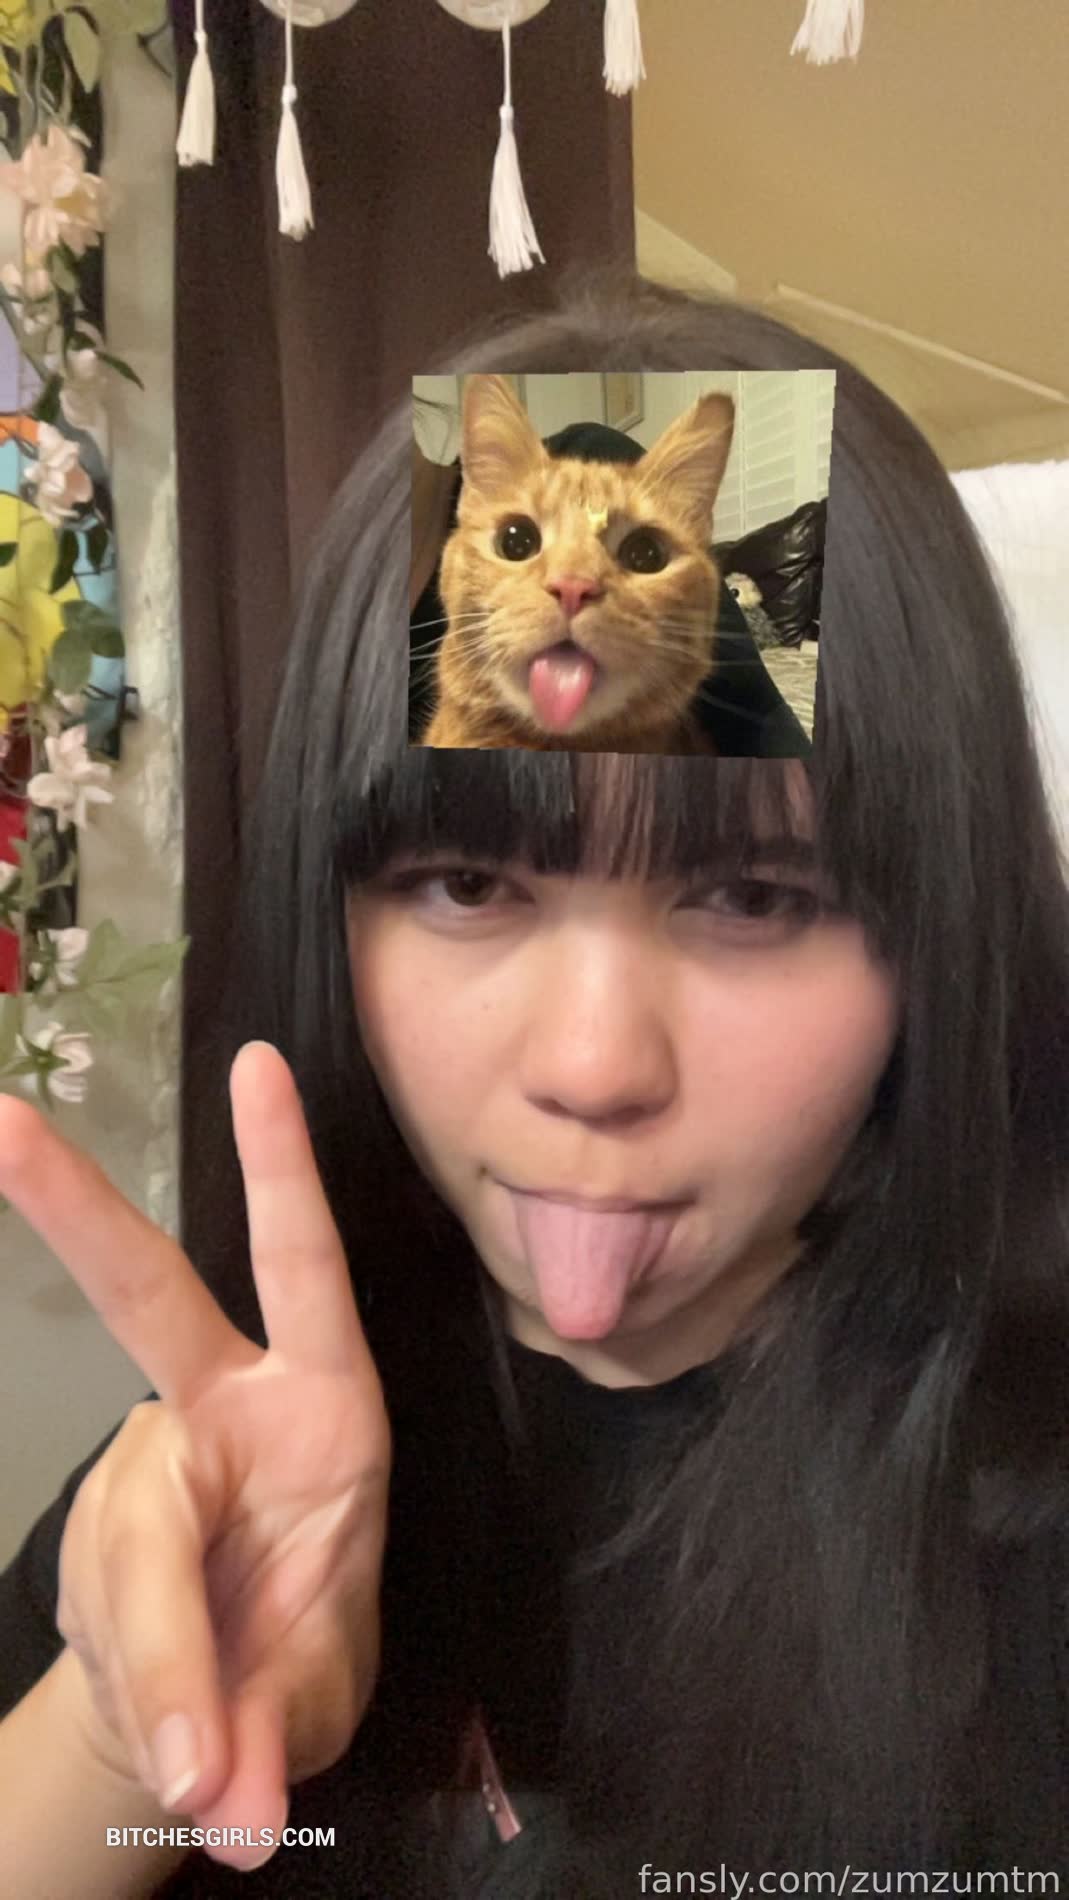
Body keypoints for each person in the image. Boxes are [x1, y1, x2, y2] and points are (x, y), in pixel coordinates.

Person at [1, 263, 1068, 1900]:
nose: (590, 1067)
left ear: (936, 938)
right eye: (466, 885)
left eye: (752, 900)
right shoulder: (213, 1479)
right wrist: (123, 1734)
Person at [408, 417, 813, 755]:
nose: (572, 584)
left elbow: (763, 726)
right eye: (517, 543)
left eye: (644, 554)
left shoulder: (598, 448)